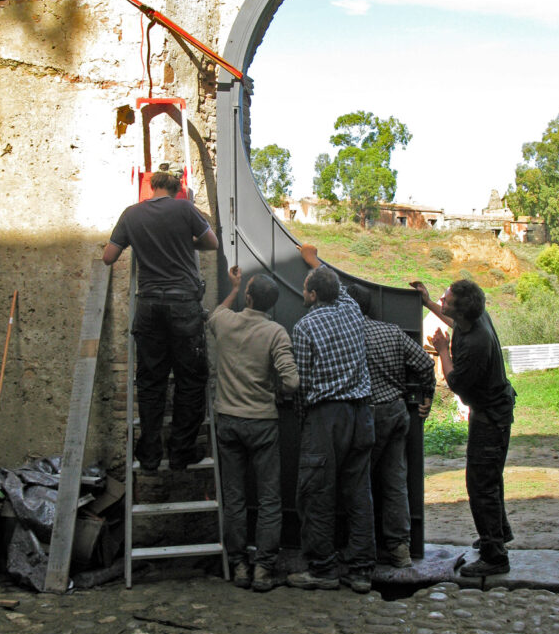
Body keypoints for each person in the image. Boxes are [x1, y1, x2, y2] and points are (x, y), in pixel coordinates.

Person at [103, 171, 219, 471]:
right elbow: (212, 243)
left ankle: (150, 455)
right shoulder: (184, 209)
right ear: (177, 189)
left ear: (151, 187)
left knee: (151, 382)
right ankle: (181, 452)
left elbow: (108, 256)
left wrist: (139, 243)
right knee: (190, 381)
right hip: (183, 305)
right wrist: (185, 243)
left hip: (149, 306)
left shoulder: (131, 214)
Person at [411, 278, 516, 577]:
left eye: (445, 301)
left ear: (461, 310)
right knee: (491, 477)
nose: (442, 303)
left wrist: (442, 349)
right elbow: (455, 320)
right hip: (496, 411)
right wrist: (429, 302)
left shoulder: (475, 344)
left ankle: (494, 555)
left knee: (480, 485)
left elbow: (455, 383)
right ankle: (499, 532)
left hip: (489, 418)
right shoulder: (477, 315)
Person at [287, 244, 376, 594]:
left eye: (307, 287)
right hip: (362, 414)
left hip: (326, 417)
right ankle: (361, 572)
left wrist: (302, 421)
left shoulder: (304, 328)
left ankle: (323, 569)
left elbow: (303, 385)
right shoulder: (352, 309)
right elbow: (334, 284)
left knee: (317, 495)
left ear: (310, 294)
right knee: (359, 495)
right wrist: (314, 261)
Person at [208, 265, 299, 593]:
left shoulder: (225, 322)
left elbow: (215, 313)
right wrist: (275, 391)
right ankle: (263, 569)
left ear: (247, 297)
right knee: (269, 497)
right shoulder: (276, 333)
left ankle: (239, 566)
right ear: (271, 304)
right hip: (262, 422)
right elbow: (291, 381)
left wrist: (232, 287)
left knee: (234, 497)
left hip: (228, 421)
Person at [346, 283, 435, 568]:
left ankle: (362, 550)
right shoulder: (392, 332)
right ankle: (400, 549)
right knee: (395, 482)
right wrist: (428, 394)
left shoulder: (346, 334)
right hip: (396, 412)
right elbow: (424, 363)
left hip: (364, 416)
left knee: (359, 484)